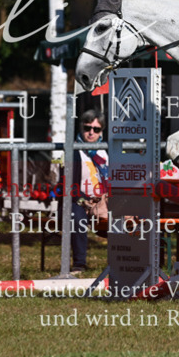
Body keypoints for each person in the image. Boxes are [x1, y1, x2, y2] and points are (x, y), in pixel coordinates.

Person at [69, 110, 108, 272]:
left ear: (101, 132)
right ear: (81, 128)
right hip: (78, 199)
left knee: (131, 214)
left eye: (96, 129)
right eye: (87, 128)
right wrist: (83, 200)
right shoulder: (72, 150)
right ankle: (79, 263)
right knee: (76, 217)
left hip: (104, 199)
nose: (91, 132)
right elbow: (67, 185)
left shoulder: (105, 151)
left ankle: (128, 261)